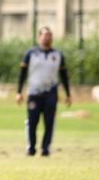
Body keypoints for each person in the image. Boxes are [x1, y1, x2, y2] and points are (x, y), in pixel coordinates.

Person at [17, 26, 71, 157]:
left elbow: (64, 75)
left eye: (49, 35)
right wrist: (19, 92)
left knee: (49, 121)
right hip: (34, 92)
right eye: (44, 35)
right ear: (39, 37)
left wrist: (68, 94)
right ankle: (31, 148)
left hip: (51, 93)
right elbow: (22, 74)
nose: (47, 38)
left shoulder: (57, 55)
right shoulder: (30, 54)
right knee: (32, 121)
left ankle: (46, 148)